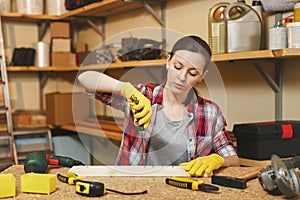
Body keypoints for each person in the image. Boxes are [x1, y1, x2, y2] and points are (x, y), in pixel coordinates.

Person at [78, 35, 240, 176]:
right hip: (134, 188)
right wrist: (126, 89)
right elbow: (85, 78)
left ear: (202, 76)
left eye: (192, 73)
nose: (182, 77)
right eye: (178, 66)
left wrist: (218, 159)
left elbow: (234, 160)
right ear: (168, 61)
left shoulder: (210, 113)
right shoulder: (142, 96)